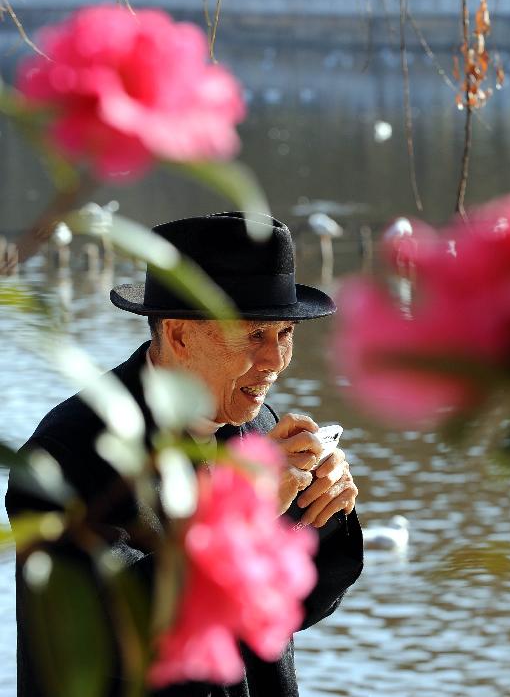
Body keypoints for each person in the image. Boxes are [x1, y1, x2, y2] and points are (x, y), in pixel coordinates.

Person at [6, 212, 364, 697]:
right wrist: (247, 510)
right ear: (178, 334)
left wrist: (327, 512)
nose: (276, 363)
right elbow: (106, 631)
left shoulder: (257, 426)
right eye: (255, 335)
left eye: (285, 335)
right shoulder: (65, 454)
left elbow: (297, 608)